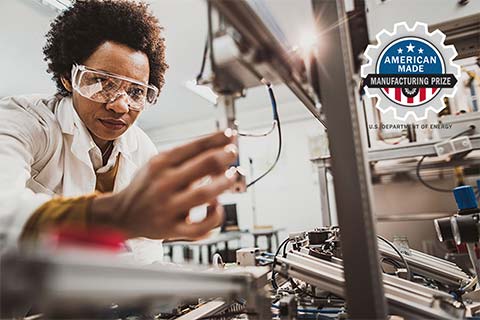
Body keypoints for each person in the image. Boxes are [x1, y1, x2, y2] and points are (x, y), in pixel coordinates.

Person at [0, 0, 238, 260]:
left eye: (136, 92)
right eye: (101, 82)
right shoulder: (23, 120)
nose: (120, 105)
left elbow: (142, 250)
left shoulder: (141, 147)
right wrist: (115, 214)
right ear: (68, 78)